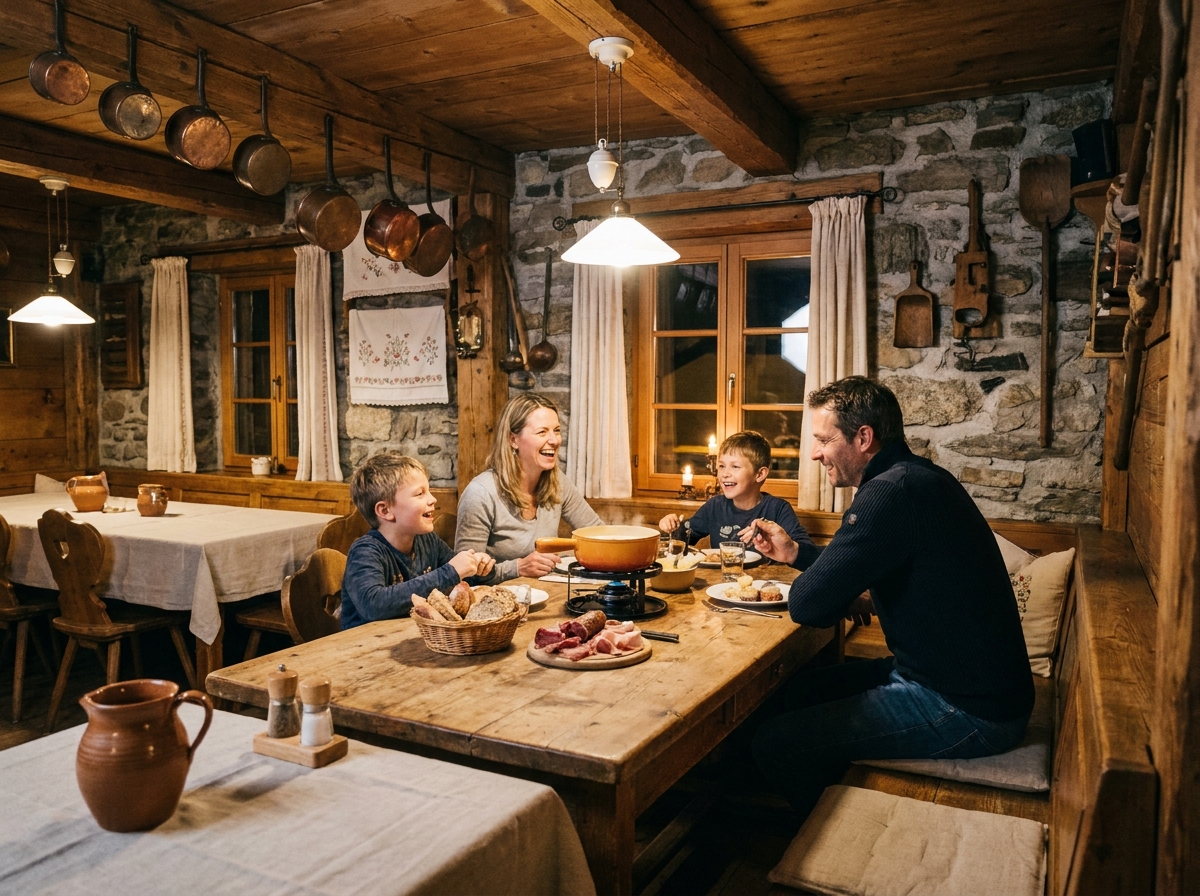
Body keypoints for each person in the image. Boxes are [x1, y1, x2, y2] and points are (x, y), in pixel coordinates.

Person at [746, 376, 1034, 816]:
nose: (815, 453)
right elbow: (873, 566)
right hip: (952, 680)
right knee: (791, 691)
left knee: (777, 742)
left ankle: (829, 844)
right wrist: (795, 553)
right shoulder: (915, 477)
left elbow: (809, 606)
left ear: (863, 437)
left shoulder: (888, 493)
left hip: (969, 708)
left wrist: (832, 587)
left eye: (824, 440)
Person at [455, 393, 602, 581]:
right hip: (496, 601)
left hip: (544, 592)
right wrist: (518, 567)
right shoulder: (480, 493)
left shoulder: (557, 482)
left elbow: (595, 531)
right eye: (542, 432)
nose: (555, 440)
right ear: (513, 440)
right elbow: (465, 573)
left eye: (556, 430)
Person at [341, 453, 494, 629]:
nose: (433, 499)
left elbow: (458, 581)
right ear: (385, 510)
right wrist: (451, 572)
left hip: (411, 640)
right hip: (363, 647)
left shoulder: (426, 540)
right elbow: (374, 605)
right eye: (420, 493)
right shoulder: (365, 551)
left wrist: (479, 569)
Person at [658, 430, 819, 568]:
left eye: (735, 466)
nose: (725, 473)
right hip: (722, 585)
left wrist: (789, 546)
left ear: (760, 474)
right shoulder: (715, 506)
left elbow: (808, 554)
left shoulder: (778, 509)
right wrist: (670, 528)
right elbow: (682, 540)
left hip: (764, 586)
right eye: (721, 466)